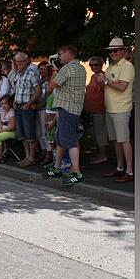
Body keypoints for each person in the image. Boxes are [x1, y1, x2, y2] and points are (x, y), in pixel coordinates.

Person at [44, 45, 87, 185]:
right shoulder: (80, 67)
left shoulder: (67, 69)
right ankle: (57, 168)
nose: (59, 57)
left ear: (68, 53)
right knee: (60, 138)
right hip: (72, 108)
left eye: (60, 54)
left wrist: (55, 70)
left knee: (69, 140)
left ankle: (77, 172)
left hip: (67, 109)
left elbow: (50, 88)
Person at [101, 38, 135, 182]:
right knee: (116, 140)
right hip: (110, 108)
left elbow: (122, 87)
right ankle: (120, 168)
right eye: (110, 51)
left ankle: (130, 171)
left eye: (115, 50)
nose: (112, 53)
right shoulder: (111, 67)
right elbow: (106, 87)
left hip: (121, 109)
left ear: (122, 51)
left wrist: (106, 81)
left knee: (124, 140)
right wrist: (104, 82)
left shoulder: (127, 66)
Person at [11, 51, 42, 166]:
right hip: (18, 106)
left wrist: (29, 104)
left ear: (26, 61)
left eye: (20, 61)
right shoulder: (18, 74)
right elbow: (18, 90)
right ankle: (27, 156)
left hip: (27, 107)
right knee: (22, 133)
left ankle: (32, 157)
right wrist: (14, 101)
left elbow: (38, 91)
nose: (18, 64)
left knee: (30, 133)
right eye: (16, 61)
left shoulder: (31, 73)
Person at [84, 56, 109, 164]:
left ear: (101, 65)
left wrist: (103, 82)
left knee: (100, 133)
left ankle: (102, 155)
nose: (93, 67)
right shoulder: (94, 76)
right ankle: (99, 154)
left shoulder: (102, 76)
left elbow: (106, 92)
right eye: (91, 65)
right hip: (91, 109)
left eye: (96, 65)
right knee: (95, 133)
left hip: (99, 109)